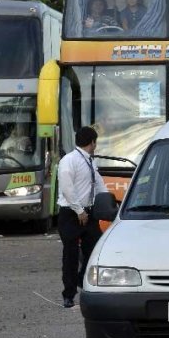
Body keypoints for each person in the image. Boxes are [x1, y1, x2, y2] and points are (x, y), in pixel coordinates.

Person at [57, 126, 108, 308]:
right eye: (95, 142)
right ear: (92, 142)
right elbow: (67, 188)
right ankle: (68, 294)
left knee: (95, 250)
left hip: (89, 213)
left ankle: (81, 279)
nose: (96, 145)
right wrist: (79, 210)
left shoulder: (89, 161)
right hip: (71, 213)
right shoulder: (69, 160)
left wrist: (110, 201)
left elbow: (99, 184)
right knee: (70, 255)